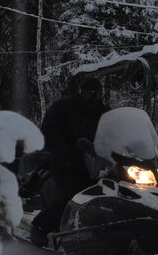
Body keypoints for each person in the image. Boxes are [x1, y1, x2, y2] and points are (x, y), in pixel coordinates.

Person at [31, 77, 109, 240]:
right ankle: (40, 228)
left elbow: (117, 132)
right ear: (81, 93)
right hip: (67, 165)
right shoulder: (63, 107)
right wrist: (66, 151)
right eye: (89, 94)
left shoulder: (105, 113)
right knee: (73, 198)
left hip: (97, 166)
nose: (93, 98)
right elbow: (48, 133)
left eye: (96, 95)